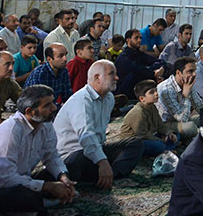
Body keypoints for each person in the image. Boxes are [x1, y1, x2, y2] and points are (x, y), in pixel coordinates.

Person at [0, 84, 77, 216]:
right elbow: (6, 179)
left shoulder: (45, 124)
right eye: (47, 105)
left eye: (52, 103)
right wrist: (48, 187)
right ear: (30, 111)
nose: (54, 108)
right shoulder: (11, 131)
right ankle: (44, 203)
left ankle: (43, 202)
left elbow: (51, 156)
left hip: (21, 179)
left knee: (70, 167)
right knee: (22, 197)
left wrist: (63, 178)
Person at [54, 60, 143, 188]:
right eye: (112, 74)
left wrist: (102, 158)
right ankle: (102, 173)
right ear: (97, 78)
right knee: (79, 162)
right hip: (73, 154)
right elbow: (86, 136)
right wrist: (102, 161)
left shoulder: (109, 98)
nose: (117, 78)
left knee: (135, 143)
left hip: (95, 149)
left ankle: (110, 175)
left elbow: (98, 136)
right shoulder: (81, 101)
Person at [120, 79, 178, 156]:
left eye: (156, 90)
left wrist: (169, 133)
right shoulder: (138, 112)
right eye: (152, 92)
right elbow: (142, 135)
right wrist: (161, 140)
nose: (156, 94)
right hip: (135, 141)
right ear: (142, 99)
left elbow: (160, 125)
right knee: (159, 145)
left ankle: (166, 149)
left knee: (176, 135)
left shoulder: (153, 107)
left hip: (150, 136)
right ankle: (166, 149)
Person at [157, 56, 203, 139]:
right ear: (178, 73)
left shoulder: (187, 82)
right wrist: (186, 96)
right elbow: (182, 119)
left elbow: (200, 107)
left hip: (182, 118)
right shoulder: (166, 89)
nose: (194, 74)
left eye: (194, 71)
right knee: (190, 127)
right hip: (165, 124)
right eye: (190, 71)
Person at [116, 29, 165, 98]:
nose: (139, 40)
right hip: (126, 92)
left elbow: (160, 61)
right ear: (128, 40)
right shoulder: (123, 57)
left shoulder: (139, 54)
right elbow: (138, 70)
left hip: (140, 88)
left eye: (140, 38)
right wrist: (154, 73)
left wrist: (161, 69)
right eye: (136, 38)